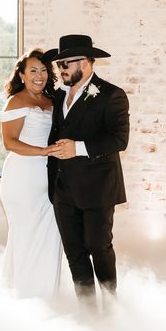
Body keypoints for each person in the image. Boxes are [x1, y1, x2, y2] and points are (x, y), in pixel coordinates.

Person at [43, 34, 129, 309]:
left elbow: (119, 140)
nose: (60, 69)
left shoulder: (112, 95)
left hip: (98, 188)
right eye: (58, 64)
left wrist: (78, 148)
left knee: (98, 247)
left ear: (86, 63)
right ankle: (88, 310)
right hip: (62, 189)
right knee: (75, 253)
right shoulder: (59, 95)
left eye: (66, 63)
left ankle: (111, 306)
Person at [0, 49, 64, 298]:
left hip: (50, 178)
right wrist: (43, 151)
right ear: (22, 75)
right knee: (26, 234)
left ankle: (47, 293)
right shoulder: (16, 101)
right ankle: (24, 295)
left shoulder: (52, 100)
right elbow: (10, 142)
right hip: (23, 177)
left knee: (50, 235)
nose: (39, 75)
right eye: (33, 70)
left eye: (44, 70)